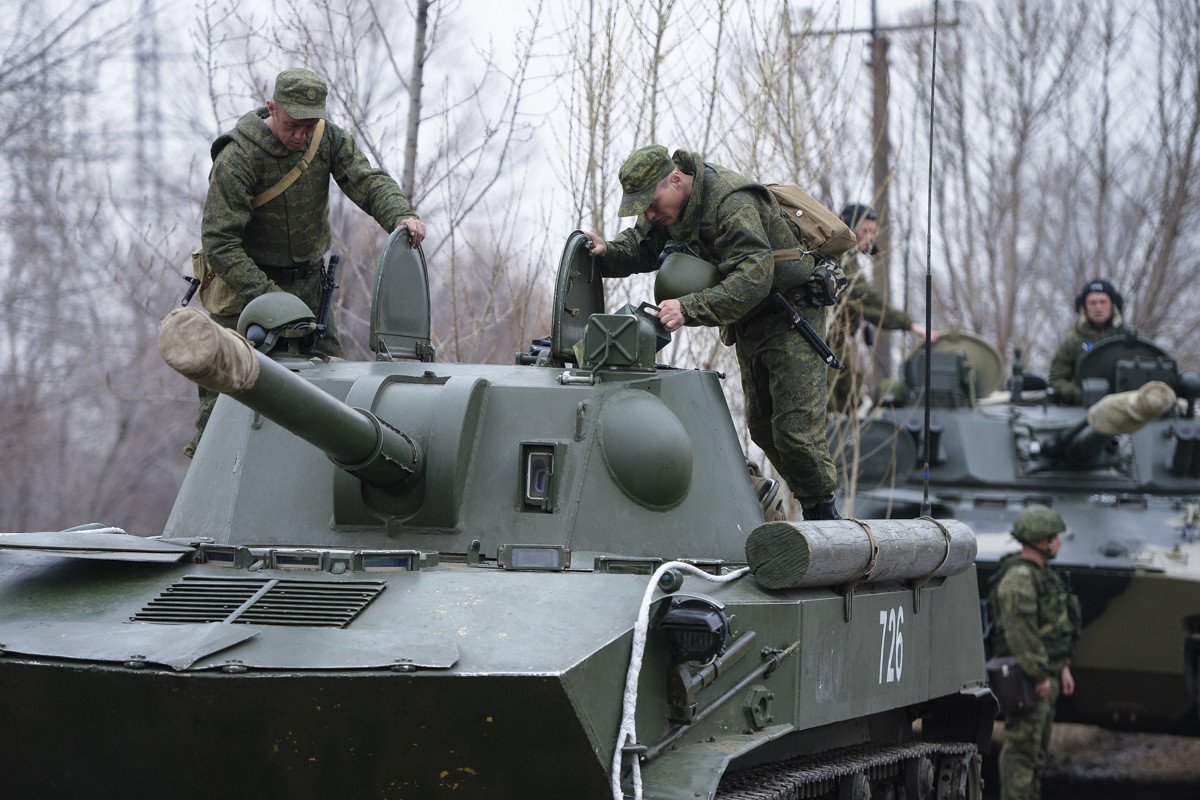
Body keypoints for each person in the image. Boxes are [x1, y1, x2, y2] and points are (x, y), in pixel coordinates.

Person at [583, 144, 840, 520]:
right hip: (749, 317)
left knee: (795, 430)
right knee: (762, 428)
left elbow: (754, 277)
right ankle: (814, 506)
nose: (649, 214)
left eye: (651, 203)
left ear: (675, 180)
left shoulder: (731, 202)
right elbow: (641, 247)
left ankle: (824, 517)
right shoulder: (667, 210)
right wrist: (607, 251)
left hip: (791, 315)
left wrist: (689, 308)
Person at [187, 67, 426, 457]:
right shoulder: (238, 157)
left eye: (309, 126)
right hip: (243, 292)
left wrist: (400, 215)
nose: (301, 135)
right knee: (224, 404)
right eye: (292, 125)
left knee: (334, 394)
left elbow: (366, 181)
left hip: (309, 290)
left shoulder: (327, 139)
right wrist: (271, 301)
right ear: (272, 108)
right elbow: (220, 242)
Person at [988, 505, 1081, 800]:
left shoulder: (1044, 576)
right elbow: (1021, 634)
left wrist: (1062, 667)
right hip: (1027, 677)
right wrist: (1039, 675)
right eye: (1055, 537)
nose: (1060, 542)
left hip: (1046, 674)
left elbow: (1053, 627)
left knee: (1037, 753)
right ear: (1042, 541)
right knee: (1022, 750)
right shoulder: (1018, 580)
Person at [828, 203, 936, 415]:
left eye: (872, 232)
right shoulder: (840, 257)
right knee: (830, 402)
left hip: (836, 344)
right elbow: (868, 300)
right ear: (849, 228)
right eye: (865, 230)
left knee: (851, 396)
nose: (869, 237)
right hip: (826, 343)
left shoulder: (848, 256)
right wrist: (912, 326)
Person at [1047, 278, 1132, 405]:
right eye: (1092, 303)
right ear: (1084, 307)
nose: (1098, 307)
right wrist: (1079, 395)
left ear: (1112, 305)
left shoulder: (1129, 338)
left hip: (1127, 405)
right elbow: (1056, 379)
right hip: (1084, 409)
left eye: (1103, 302)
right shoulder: (1073, 341)